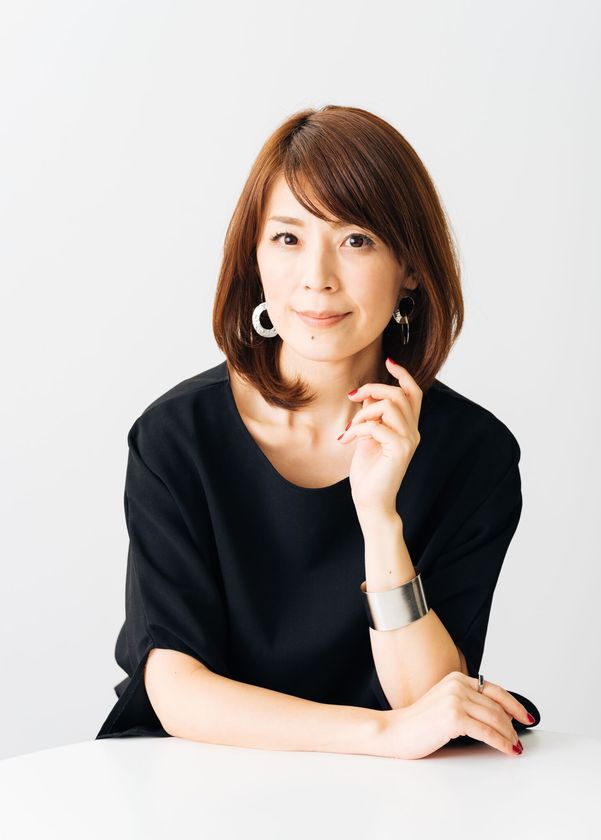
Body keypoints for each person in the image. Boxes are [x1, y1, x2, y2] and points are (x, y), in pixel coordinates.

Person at [96, 105, 540, 758]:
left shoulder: (475, 455)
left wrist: (380, 519)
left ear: (411, 268)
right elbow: (175, 687)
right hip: (192, 779)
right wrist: (382, 734)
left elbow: (429, 703)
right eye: (288, 238)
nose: (317, 278)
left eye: (356, 240)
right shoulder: (177, 437)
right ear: (254, 256)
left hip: (390, 796)